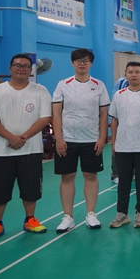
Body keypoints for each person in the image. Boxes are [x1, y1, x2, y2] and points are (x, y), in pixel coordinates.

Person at [0, 54, 52, 241]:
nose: (22, 68)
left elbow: (45, 118)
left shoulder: (40, 91)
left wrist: (23, 137)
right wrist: (11, 137)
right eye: (18, 65)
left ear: (31, 70)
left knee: (31, 188)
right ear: (10, 68)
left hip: (31, 150)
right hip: (1, 150)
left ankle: (30, 219)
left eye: (26, 66)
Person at [51, 48, 110, 232]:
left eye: (86, 61)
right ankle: (68, 216)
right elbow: (56, 113)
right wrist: (59, 138)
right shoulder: (63, 85)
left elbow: (103, 114)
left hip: (91, 140)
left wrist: (102, 138)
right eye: (78, 60)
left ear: (91, 64)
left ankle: (91, 214)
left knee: (90, 176)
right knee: (67, 177)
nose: (82, 64)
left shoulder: (99, 85)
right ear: (72, 63)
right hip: (67, 140)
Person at [108, 61, 140, 229]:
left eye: (137, 71)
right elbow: (114, 120)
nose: (134, 74)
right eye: (130, 72)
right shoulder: (119, 95)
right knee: (124, 182)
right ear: (125, 75)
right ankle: (122, 213)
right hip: (123, 146)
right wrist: (114, 142)